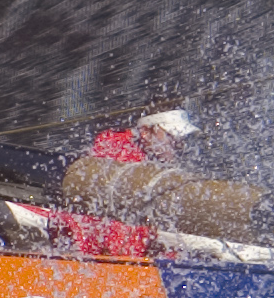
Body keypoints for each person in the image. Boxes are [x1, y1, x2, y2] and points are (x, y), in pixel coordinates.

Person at [45, 108, 198, 256]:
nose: (179, 145)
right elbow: (121, 242)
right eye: (171, 136)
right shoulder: (120, 156)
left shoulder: (151, 161)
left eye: (183, 138)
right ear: (145, 132)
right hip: (94, 256)